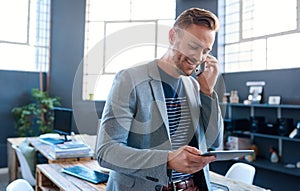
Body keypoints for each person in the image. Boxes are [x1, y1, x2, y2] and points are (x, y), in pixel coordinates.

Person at [96, 7, 223, 191]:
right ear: (172, 36)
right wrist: (168, 160)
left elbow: (214, 142)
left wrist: (207, 92)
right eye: (193, 46)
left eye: (205, 51)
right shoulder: (129, 79)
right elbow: (107, 152)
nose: (198, 57)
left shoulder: (195, 85)